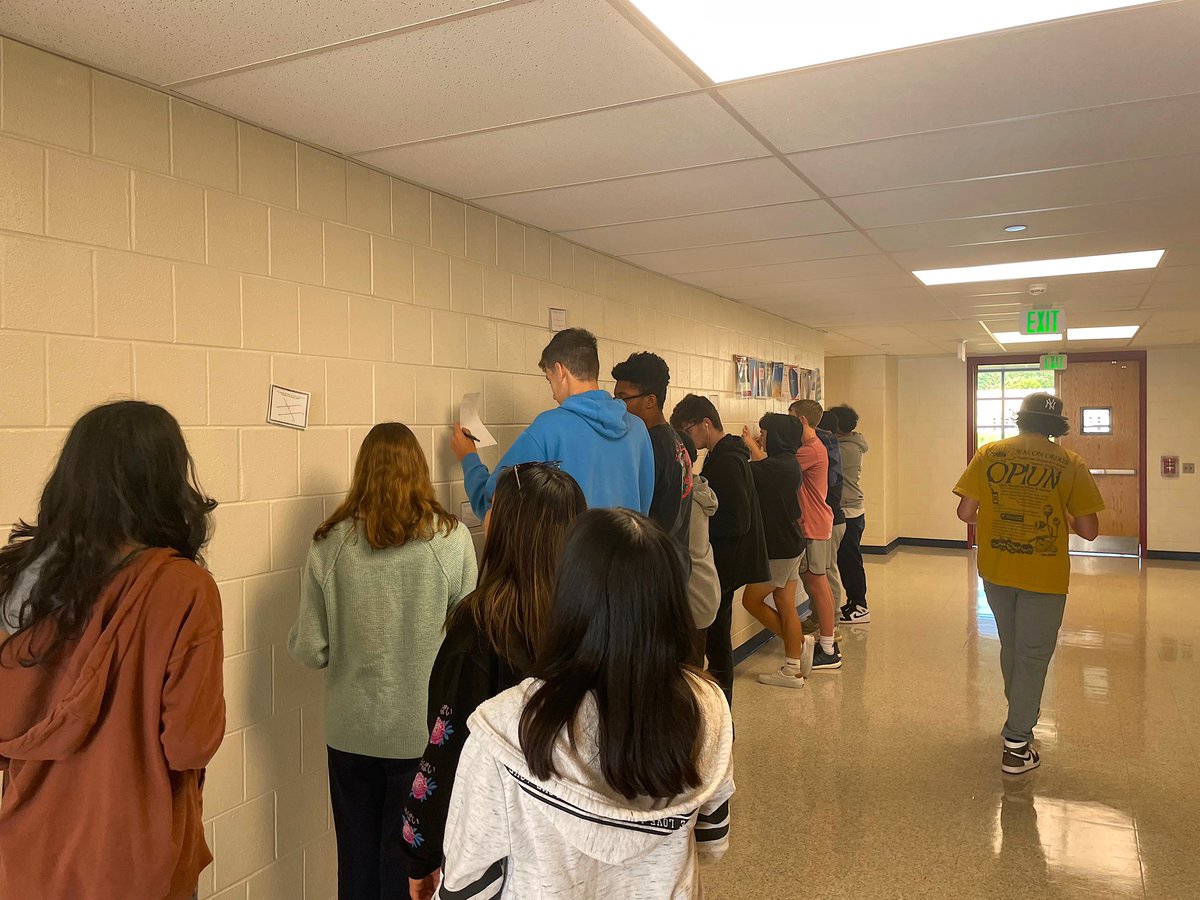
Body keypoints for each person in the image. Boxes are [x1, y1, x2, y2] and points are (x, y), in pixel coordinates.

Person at [431, 509, 734, 899]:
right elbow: (713, 841)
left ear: (569, 597)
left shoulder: (504, 729)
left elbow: (466, 888)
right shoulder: (707, 705)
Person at [0, 400, 224, 900]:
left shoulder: (16, 577)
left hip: (25, 858)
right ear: (166, 481)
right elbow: (190, 742)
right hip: (134, 860)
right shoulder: (182, 588)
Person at [288, 422, 478, 900]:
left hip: (349, 733)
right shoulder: (451, 540)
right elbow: (467, 642)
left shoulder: (328, 543)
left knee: (355, 863)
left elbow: (311, 649)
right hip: (423, 735)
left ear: (362, 472)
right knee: (409, 870)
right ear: (419, 471)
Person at [404, 463, 586, 900]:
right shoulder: (590, 619)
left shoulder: (481, 630)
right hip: (577, 841)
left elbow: (447, 750)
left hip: (500, 849)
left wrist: (420, 855)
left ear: (507, 527)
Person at [954, 392, 1103, 775]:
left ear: (1019, 419)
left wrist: (1001, 515)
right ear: (1057, 425)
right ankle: (1017, 743)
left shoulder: (990, 453)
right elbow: (1089, 531)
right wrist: (1060, 511)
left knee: (1013, 646)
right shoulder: (1070, 462)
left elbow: (965, 513)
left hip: (997, 567)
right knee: (1033, 655)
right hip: (1045, 574)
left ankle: (1020, 716)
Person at [451, 328, 654, 519]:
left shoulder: (548, 429)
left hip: (570, 556)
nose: (553, 394)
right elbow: (643, 508)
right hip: (627, 553)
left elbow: (494, 505)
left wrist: (468, 457)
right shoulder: (638, 430)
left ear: (559, 370)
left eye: (549, 380)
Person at [670, 394, 770, 707]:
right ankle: (719, 709)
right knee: (717, 640)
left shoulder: (727, 459)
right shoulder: (724, 453)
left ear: (706, 423)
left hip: (725, 562)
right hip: (724, 563)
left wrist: (700, 528)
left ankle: (721, 710)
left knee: (716, 643)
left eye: (688, 429)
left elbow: (738, 519)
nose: (687, 437)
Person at [741, 413, 813, 688]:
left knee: (751, 600)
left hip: (779, 548)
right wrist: (751, 444)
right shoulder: (786, 463)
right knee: (785, 604)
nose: (761, 437)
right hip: (791, 543)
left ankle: (796, 649)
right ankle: (793, 665)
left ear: (778, 436)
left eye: (765, 432)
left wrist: (738, 447)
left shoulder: (775, 468)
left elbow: (748, 469)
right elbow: (763, 463)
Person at [612, 352, 693, 569]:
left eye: (623, 398)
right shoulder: (673, 438)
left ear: (650, 400)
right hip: (674, 560)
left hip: (657, 565)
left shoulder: (652, 444)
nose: (617, 406)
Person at [789, 399, 842, 671]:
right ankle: (829, 642)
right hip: (816, 523)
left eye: (790, 418)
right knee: (817, 584)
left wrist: (752, 446)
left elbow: (782, 470)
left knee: (817, 584)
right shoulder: (813, 446)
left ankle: (828, 648)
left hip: (813, 524)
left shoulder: (810, 449)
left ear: (801, 420)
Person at [676, 430, 722, 662]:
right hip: (705, 590)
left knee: (689, 681)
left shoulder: (685, 498)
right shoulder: (698, 488)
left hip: (695, 596)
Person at [831, 405, 870, 624]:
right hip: (852, 508)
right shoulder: (851, 443)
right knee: (847, 560)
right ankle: (854, 603)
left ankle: (859, 606)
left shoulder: (844, 450)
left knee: (850, 561)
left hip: (849, 510)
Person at [814, 409, 847, 618]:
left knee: (826, 571)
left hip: (831, 520)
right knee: (827, 571)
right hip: (836, 517)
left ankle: (831, 618)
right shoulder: (833, 444)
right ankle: (825, 616)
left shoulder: (824, 444)